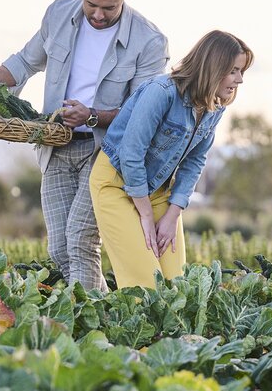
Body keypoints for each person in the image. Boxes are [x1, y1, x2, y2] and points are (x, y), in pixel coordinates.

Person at [0, 0, 169, 291]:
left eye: (108, 8)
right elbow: (24, 62)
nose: (98, 15)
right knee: (59, 249)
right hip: (55, 144)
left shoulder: (149, 40)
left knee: (80, 241)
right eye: (92, 4)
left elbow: (144, 110)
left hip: (103, 152)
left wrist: (92, 115)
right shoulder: (59, 13)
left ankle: (85, 327)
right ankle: (98, 315)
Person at [90, 30, 254, 289]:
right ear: (214, 67)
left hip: (157, 189)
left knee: (175, 284)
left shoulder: (215, 107)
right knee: (145, 283)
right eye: (234, 70)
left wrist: (172, 214)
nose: (240, 79)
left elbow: (195, 162)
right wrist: (145, 214)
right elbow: (132, 153)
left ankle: (169, 333)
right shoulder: (161, 92)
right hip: (116, 183)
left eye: (241, 71)